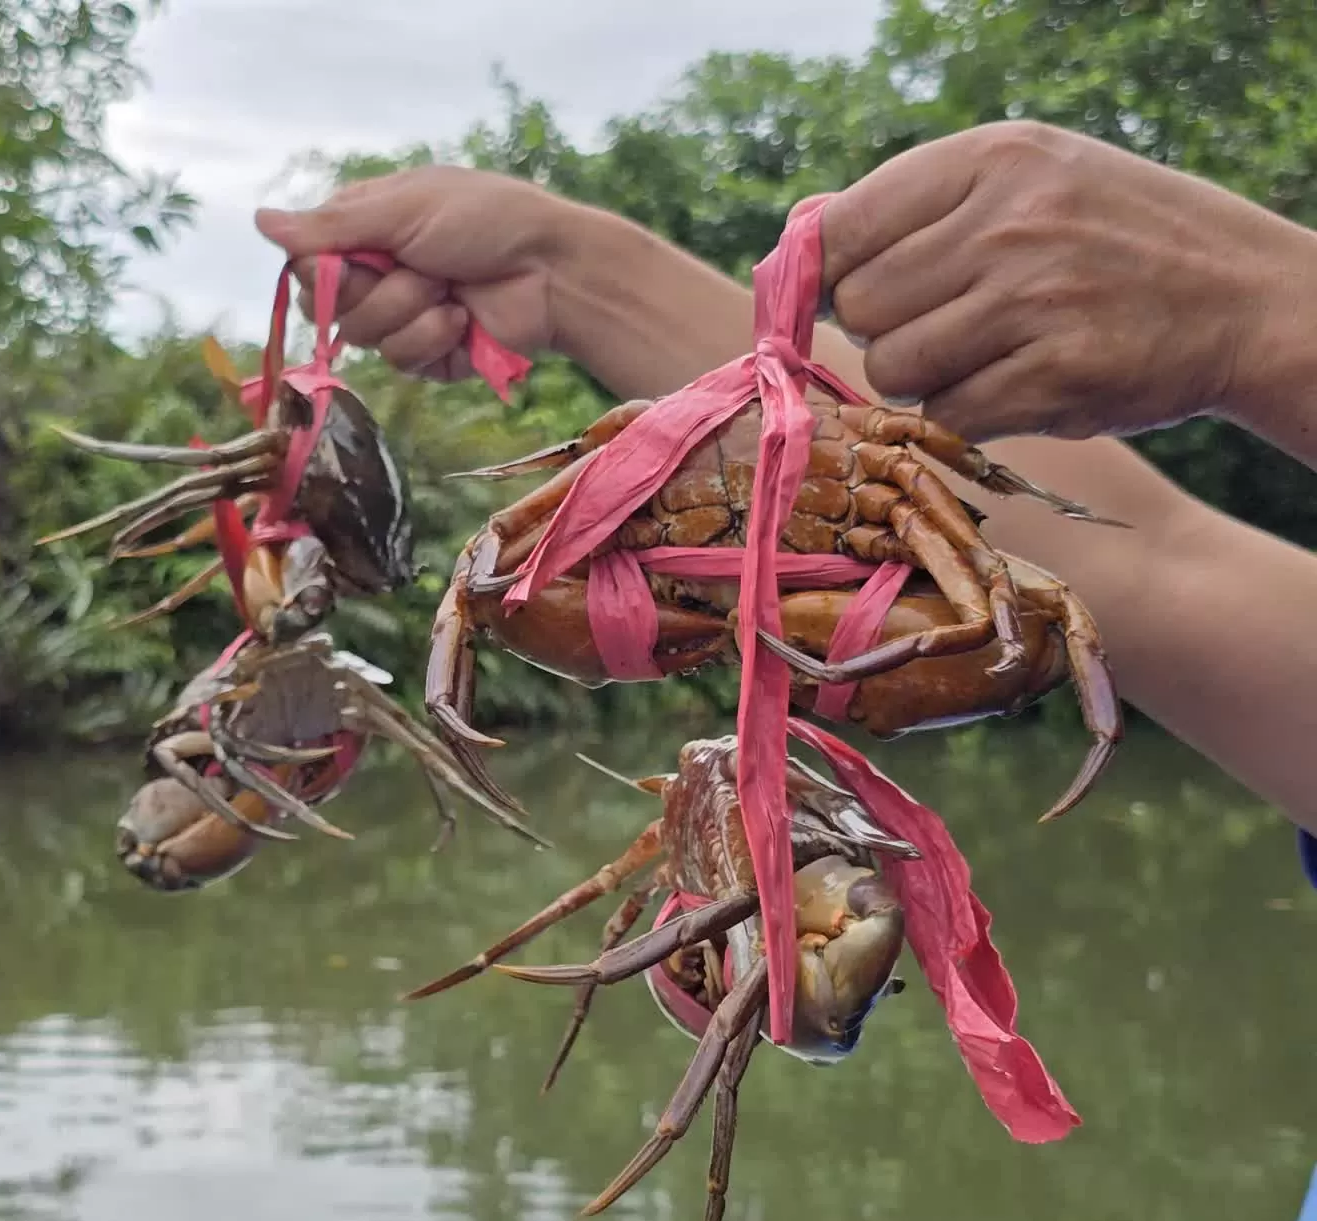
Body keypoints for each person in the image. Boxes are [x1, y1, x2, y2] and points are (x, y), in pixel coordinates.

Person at [252, 120, 1317, 872]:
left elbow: (1064, 582)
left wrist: (1272, 318)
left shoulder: (892, 481)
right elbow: (1152, 567)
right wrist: (565, 271)